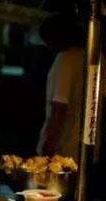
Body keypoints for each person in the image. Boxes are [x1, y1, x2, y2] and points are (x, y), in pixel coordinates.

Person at [36, 14, 84, 159]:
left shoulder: (65, 59)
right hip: (83, 152)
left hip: (62, 150)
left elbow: (60, 106)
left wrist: (49, 143)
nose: (49, 47)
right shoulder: (94, 57)